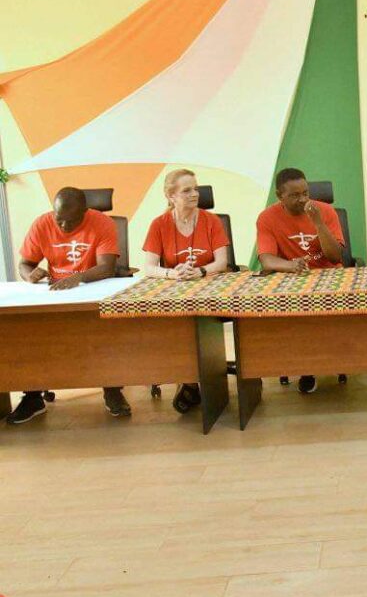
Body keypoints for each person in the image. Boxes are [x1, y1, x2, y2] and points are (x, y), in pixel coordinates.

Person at [7, 187, 130, 423]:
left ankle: (112, 389)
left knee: (105, 329)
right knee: (28, 332)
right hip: (56, 294)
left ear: (85, 212)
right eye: (59, 219)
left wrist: (78, 277)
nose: (63, 226)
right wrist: (29, 274)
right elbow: (25, 263)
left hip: (92, 292)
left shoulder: (102, 223)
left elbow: (106, 268)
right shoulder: (42, 224)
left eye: (71, 221)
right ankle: (32, 397)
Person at [142, 169, 230, 413]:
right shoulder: (159, 224)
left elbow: (222, 262)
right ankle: (189, 380)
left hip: (209, 289)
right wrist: (172, 273)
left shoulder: (211, 221)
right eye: (187, 190)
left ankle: (201, 379)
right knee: (177, 323)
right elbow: (149, 267)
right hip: (177, 290)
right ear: (171, 196)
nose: (195, 194)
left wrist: (200, 271)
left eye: (196, 189)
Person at [256, 167, 346, 394]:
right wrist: (289, 265)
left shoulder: (325, 211)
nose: (303, 199)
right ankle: (306, 368)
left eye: (305, 193)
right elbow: (266, 259)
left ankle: (338, 359)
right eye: (295, 195)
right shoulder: (267, 218)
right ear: (280, 196)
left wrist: (319, 224)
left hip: (328, 277)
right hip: (293, 281)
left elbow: (335, 256)